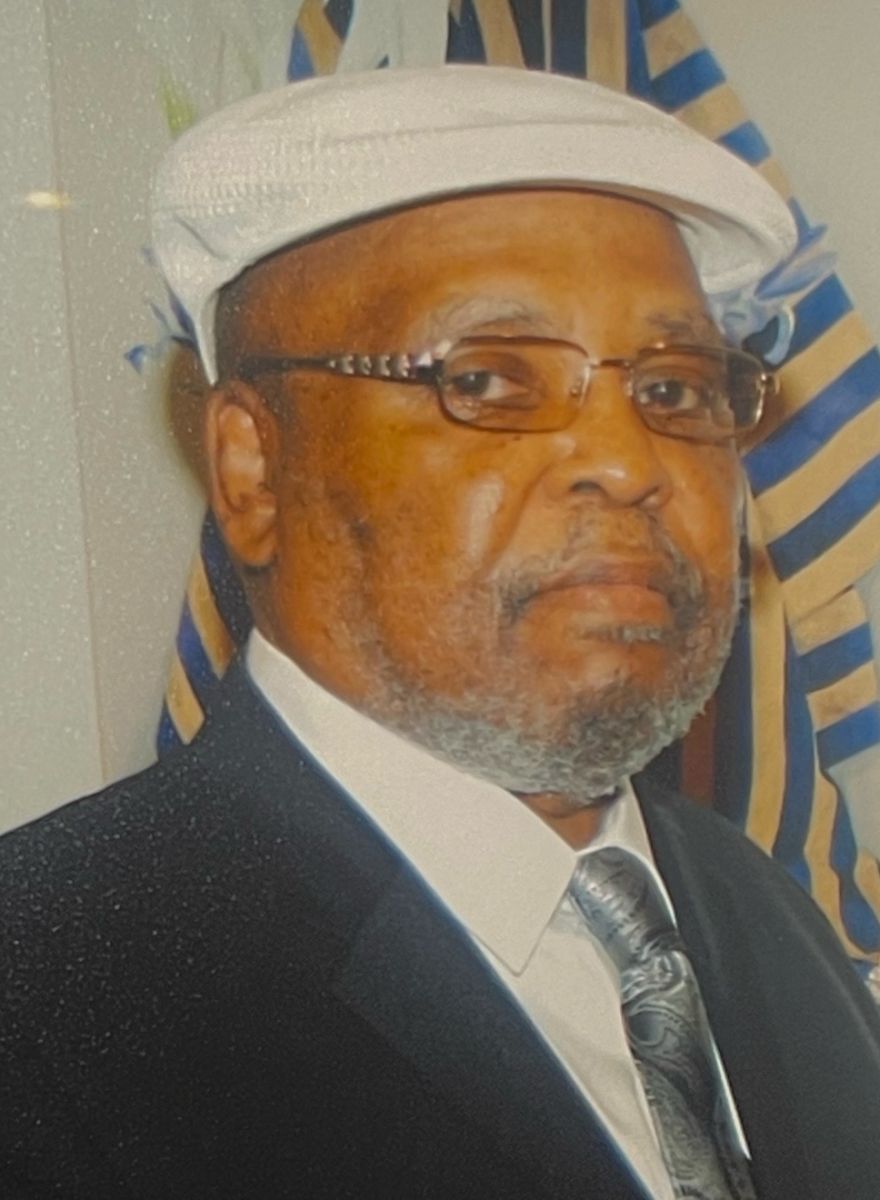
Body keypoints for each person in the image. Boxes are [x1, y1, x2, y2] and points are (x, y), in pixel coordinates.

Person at [1, 66, 878, 1200]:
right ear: (254, 469)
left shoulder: (755, 909)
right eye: (490, 379)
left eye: (673, 390)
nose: (628, 461)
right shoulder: (50, 997)